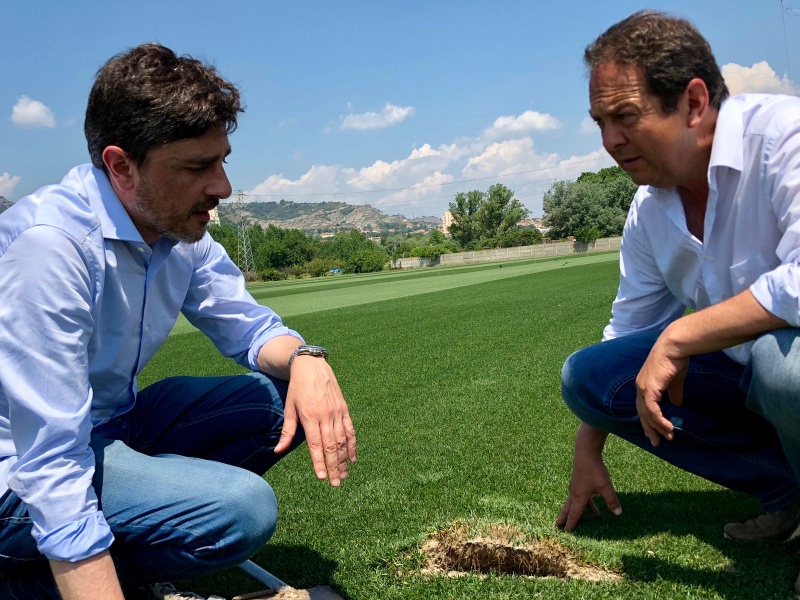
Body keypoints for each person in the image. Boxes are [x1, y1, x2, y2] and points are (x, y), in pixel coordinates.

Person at [0, 43, 357, 600]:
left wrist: (306, 360)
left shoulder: (179, 229)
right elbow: (51, 459)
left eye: (222, 161)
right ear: (121, 166)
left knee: (276, 397)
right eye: (197, 167)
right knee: (241, 510)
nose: (223, 188)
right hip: (18, 464)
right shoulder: (51, 248)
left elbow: (250, 328)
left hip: (112, 424)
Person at [556, 9, 800, 594]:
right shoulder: (649, 207)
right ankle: (791, 492)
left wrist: (682, 335)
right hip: (745, 374)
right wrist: (587, 449)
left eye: (625, 118)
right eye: (600, 122)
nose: (611, 141)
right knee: (590, 377)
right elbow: (626, 329)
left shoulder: (786, 138)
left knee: (784, 366)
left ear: (693, 102)